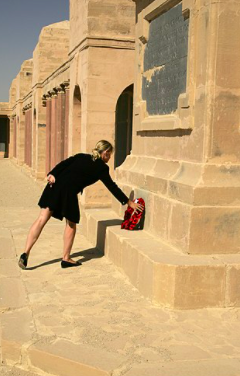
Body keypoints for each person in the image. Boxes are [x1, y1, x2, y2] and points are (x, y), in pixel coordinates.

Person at [18, 140, 144, 269]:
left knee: (41, 219)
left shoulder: (81, 156)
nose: (110, 157)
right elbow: (112, 186)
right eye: (110, 154)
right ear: (105, 153)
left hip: (54, 186)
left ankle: (25, 253)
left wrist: (52, 174)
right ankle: (66, 258)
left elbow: (63, 164)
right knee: (71, 224)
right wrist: (128, 202)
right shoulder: (101, 168)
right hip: (68, 192)